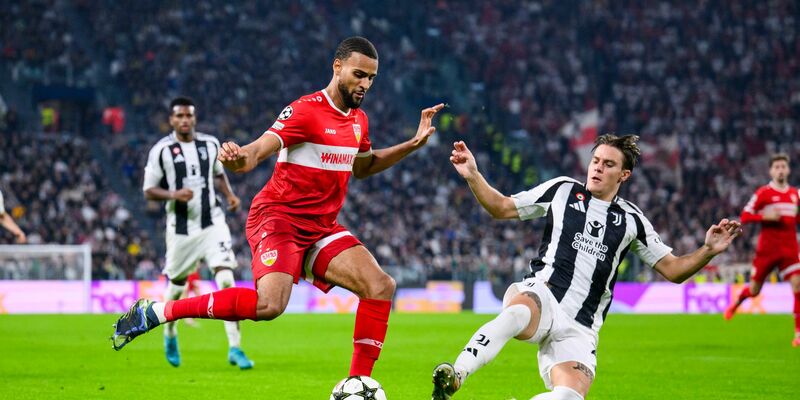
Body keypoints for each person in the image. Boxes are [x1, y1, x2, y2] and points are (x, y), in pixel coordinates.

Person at [111, 37, 444, 378]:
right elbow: (254, 153)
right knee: (270, 306)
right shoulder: (305, 110)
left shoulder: (359, 120)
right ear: (337, 67)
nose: (365, 84)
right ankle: (159, 312)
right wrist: (238, 157)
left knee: (380, 286)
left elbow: (364, 166)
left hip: (321, 227)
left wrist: (412, 145)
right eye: (359, 75)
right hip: (278, 219)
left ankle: (358, 385)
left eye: (371, 78)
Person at [431, 134, 742, 400]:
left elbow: (673, 270)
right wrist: (472, 174)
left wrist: (707, 251)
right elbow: (501, 207)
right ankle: (457, 373)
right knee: (517, 313)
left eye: (608, 164)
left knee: (568, 396)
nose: (597, 168)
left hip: (581, 327)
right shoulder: (563, 190)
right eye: (596, 160)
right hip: (544, 294)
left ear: (624, 175)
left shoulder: (632, 221)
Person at [135, 96, 253, 369]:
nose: (185, 120)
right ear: (172, 120)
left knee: (226, 280)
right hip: (181, 230)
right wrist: (174, 194)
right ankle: (170, 334)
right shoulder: (162, 150)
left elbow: (218, 174)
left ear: (194, 118)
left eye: (189, 115)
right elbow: (148, 189)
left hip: (213, 223)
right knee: (175, 290)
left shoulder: (210, 144)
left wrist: (231, 195)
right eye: (180, 116)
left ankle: (235, 347)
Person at [724, 153, 800, 347]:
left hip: (790, 250)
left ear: (788, 170)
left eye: (784, 166)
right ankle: (737, 302)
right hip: (767, 251)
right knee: (755, 290)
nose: (781, 170)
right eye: (777, 167)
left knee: (798, 287)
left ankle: (798, 334)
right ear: (771, 171)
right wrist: (765, 217)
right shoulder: (763, 193)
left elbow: (794, 220)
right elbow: (745, 215)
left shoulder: (795, 194)